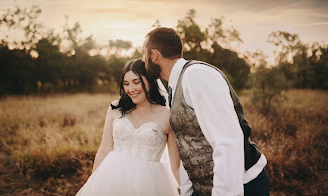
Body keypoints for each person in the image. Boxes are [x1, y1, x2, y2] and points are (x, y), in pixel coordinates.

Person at [142, 27, 269, 196]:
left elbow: (227, 141)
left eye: (143, 53)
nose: (142, 60)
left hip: (242, 185)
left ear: (154, 55)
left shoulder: (196, 75)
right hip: (205, 188)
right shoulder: (177, 85)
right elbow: (188, 145)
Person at [76, 59, 180, 196]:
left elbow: (176, 165)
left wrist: (187, 189)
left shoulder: (166, 116)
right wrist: (92, 182)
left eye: (136, 82)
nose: (131, 89)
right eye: (126, 84)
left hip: (150, 184)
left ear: (150, 81)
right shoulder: (116, 108)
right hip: (111, 178)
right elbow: (105, 148)